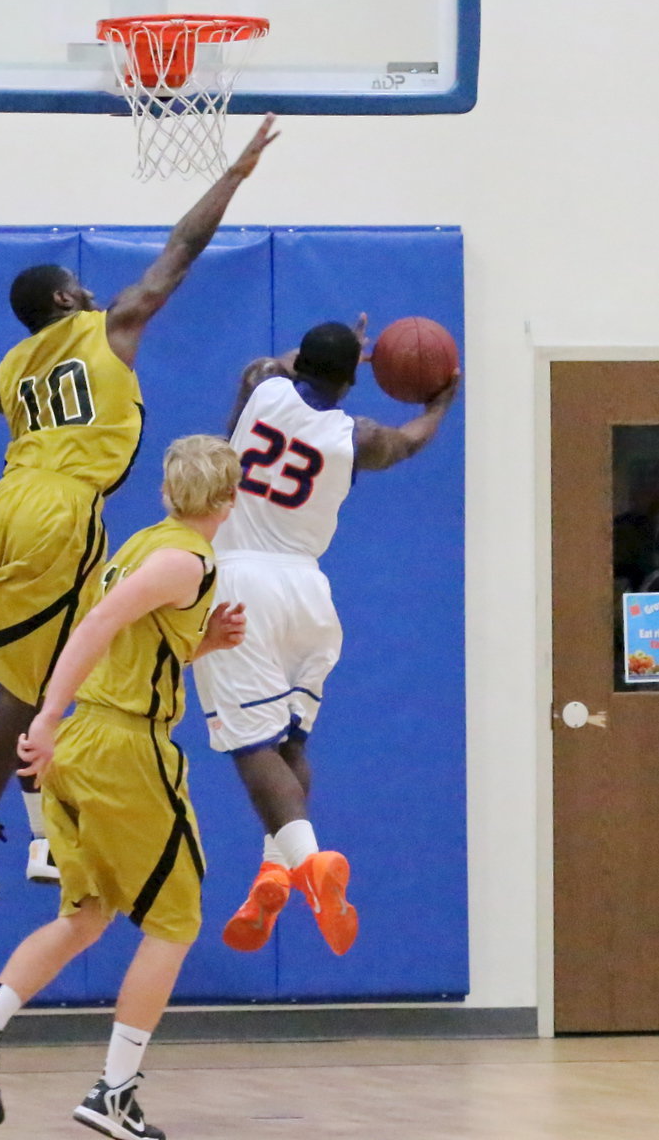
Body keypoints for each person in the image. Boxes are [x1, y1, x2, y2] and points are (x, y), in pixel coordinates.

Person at [0, 115, 277, 906]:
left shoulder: (7, 369)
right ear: (68, 299)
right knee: (68, 662)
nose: (96, 292)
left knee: (33, 671)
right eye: (83, 288)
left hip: (4, 503)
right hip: (62, 509)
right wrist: (234, 175)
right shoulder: (110, 326)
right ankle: (23, 836)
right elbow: (181, 249)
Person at [0, 435, 245, 1139]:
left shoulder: (144, 545)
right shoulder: (183, 559)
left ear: (168, 494)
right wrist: (44, 716)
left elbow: (134, 636)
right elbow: (98, 624)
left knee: (87, 913)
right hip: (121, 747)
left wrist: (203, 644)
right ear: (229, 501)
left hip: (86, 744)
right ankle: (113, 1093)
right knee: (175, 921)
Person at [192, 315, 460, 956]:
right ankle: (274, 870)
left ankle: (312, 868)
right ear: (350, 379)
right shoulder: (355, 437)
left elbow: (272, 363)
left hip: (240, 583)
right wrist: (442, 398)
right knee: (287, 742)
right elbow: (410, 441)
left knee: (249, 746)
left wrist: (342, 352)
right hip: (309, 592)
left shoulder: (261, 385)